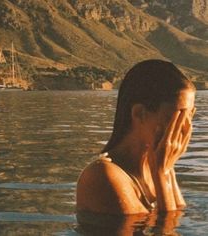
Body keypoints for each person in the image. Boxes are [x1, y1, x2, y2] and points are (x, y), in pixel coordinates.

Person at [76, 59, 196, 216]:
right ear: (139, 113)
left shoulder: (154, 166)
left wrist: (167, 170)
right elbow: (168, 230)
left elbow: (179, 218)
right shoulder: (103, 176)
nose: (187, 127)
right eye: (178, 116)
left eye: (191, 115)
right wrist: (161, 174)